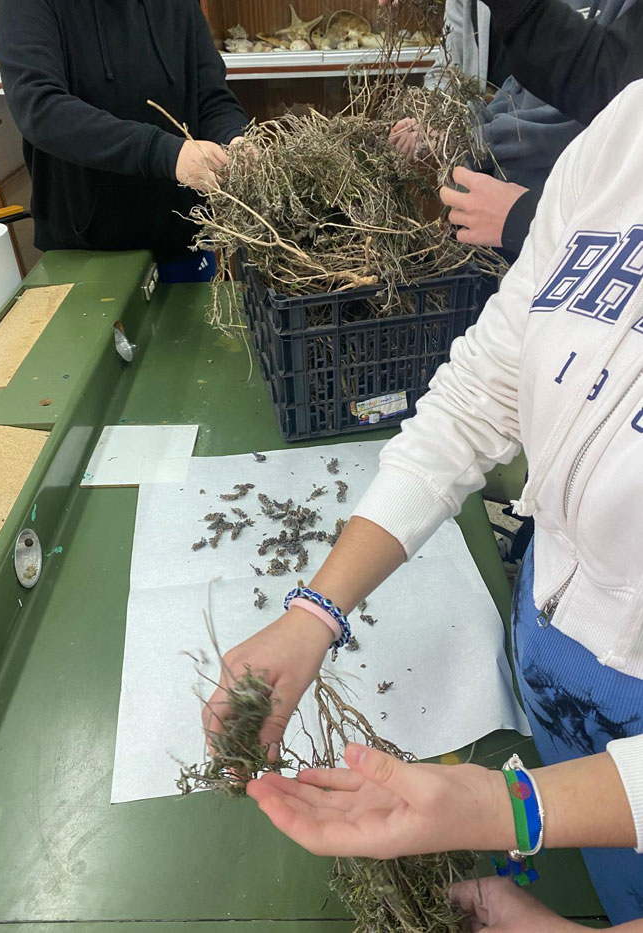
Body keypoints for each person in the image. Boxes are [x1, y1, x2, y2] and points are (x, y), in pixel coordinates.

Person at [205, 80, 643, 929]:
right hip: (554, 678)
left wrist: (505, 817)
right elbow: (486, 386)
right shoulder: (627, 131)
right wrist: (315, 611)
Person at [0, 0, 248, 278]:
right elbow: (39, 108)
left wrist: (233, 139)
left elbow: (210, 95)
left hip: (182, 239)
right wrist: (164, 153)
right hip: (87, 250)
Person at [388, 0, 633, 255]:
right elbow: (505, 89)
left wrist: (468, 138)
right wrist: (433, 119)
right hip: (480, 202)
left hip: (550, 210)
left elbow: (596, 99)